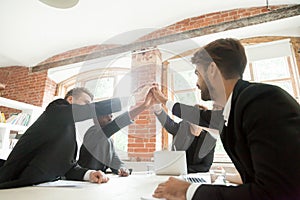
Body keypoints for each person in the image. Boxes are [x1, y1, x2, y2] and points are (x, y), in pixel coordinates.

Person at [152, 38, 300, 200]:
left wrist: (188, 191)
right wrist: (164, 101)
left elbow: (274, 193)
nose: (196, 83)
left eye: (197, 73)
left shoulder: (263, 100)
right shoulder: (235, 108)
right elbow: (198, 116)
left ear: (212, 69)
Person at [0, 87, 123, 189]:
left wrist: (89, 174)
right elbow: (87, 111)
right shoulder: (56, 109)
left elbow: (67, 166)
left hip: (36, 188)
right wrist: (127, 101)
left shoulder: (68, 129)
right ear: (70, 99)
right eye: (86, 103)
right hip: (13, 185)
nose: (89, 107)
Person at [78, 90, 156, 176]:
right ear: (95, 119)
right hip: (83, 180)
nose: (110, 117)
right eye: (105, 115)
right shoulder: (91, 133)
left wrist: (122, 169)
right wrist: (143, 106)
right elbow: (113, 126)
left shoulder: (109, 141)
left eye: (111, 114)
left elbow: (116, 162)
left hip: (97, 181)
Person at [153, 104, 216, 173]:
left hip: (196, 174)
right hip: (178, 172)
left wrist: (185, 169)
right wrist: (158, 110)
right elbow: (169, 124)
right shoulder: (182, 128)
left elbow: (206, 166)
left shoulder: (210, 139)